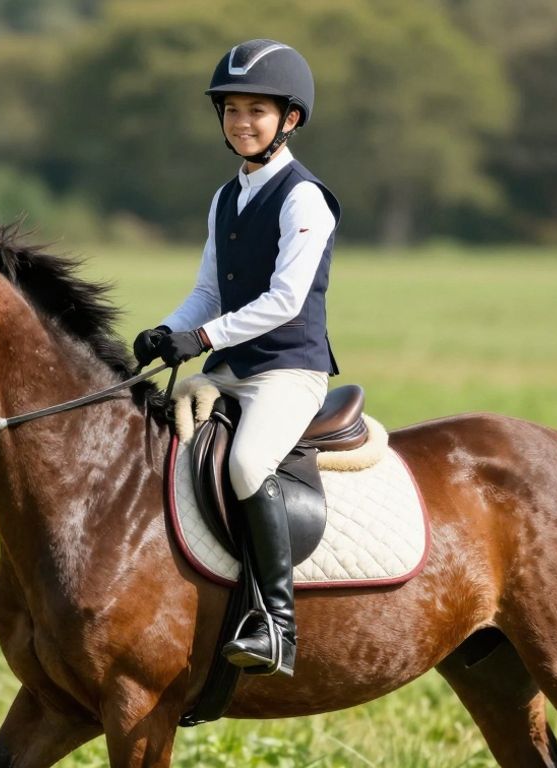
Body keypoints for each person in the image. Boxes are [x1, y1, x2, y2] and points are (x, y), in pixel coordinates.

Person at [133, 39, 340, 678]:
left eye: (258, 109)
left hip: (288, 370)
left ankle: (277, 626)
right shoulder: (226, 198)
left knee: (249, 461)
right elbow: (207, 292)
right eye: (231, 110)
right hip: (229, 369)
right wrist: (165, 331)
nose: (242, 122)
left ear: (290, 119)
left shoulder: (306, 198)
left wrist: (200, 341)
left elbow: (283, 300)